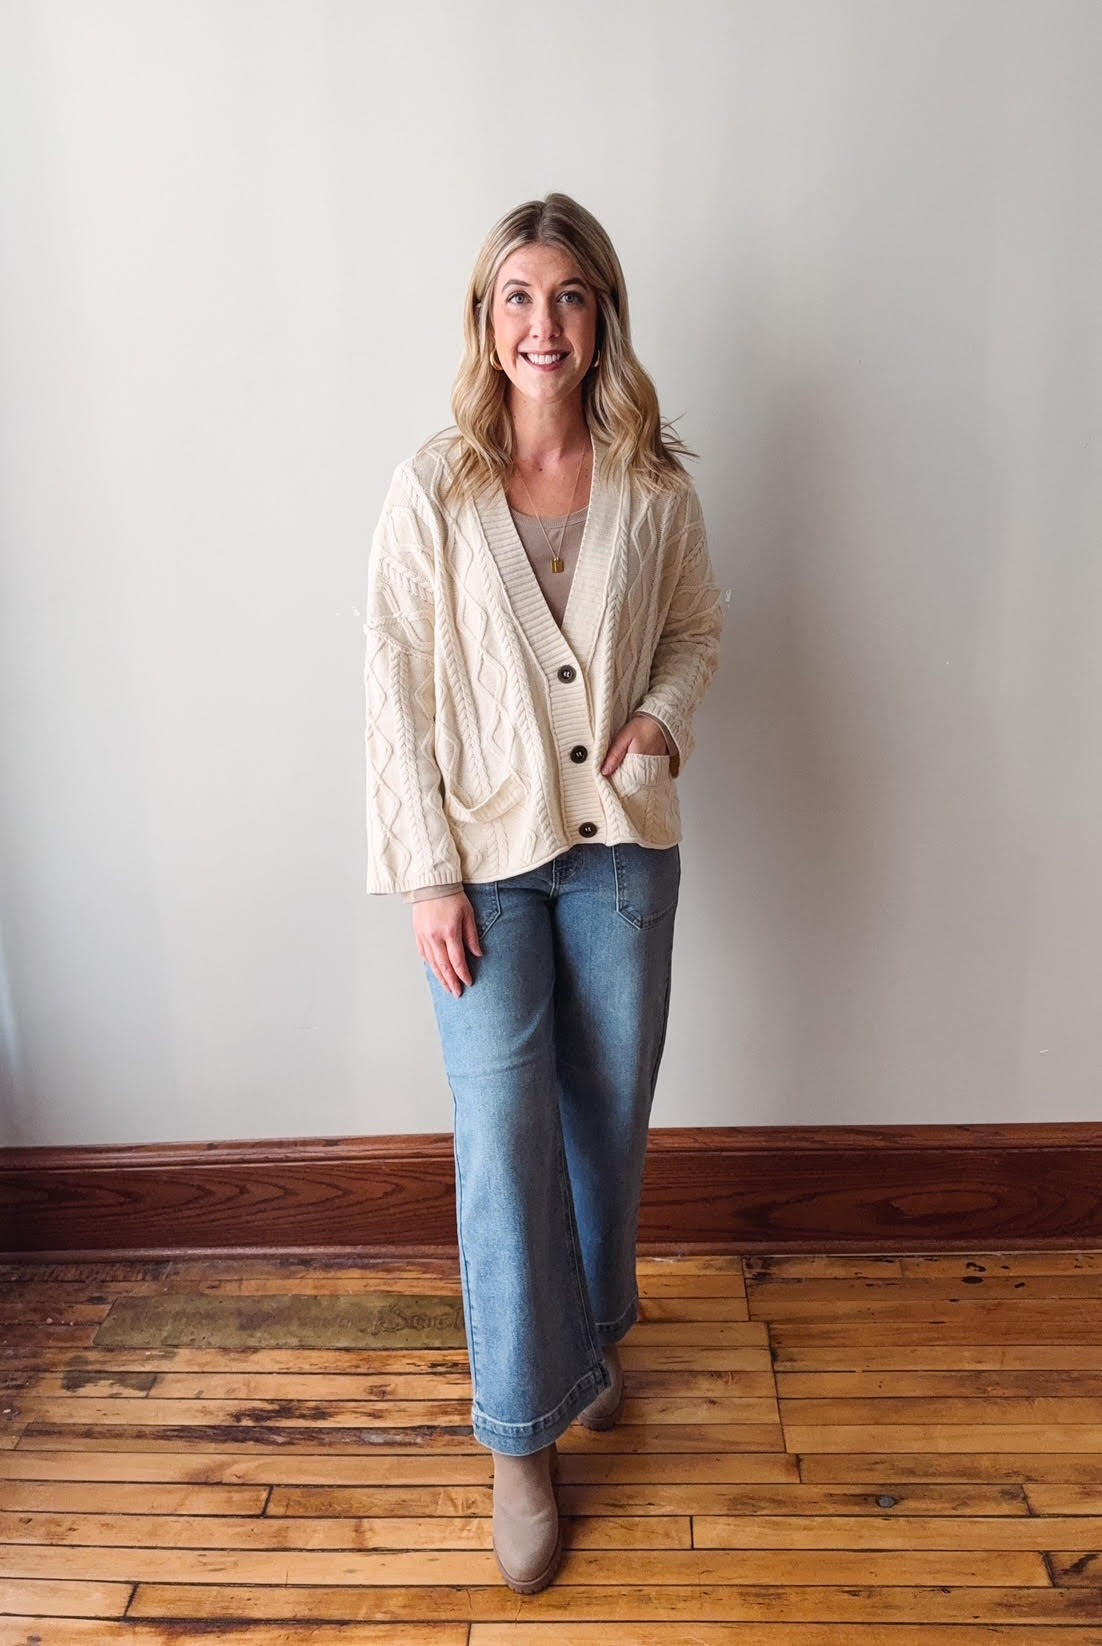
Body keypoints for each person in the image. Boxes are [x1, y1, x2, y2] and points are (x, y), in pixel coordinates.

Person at [364, 192, 724, 1593]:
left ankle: (582, 1343)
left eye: (567, 297)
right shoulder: (433, 487)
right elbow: (391, 690)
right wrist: (426, 875)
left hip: (624, 850)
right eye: (517, 296)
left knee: (604, 1118)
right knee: (501, 1132)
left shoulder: (653, 479)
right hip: (482, 869)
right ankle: (521, 1433)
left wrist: (663, 721)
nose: (542, 325)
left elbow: (696, 624)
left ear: (601, 317)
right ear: (484, 318)